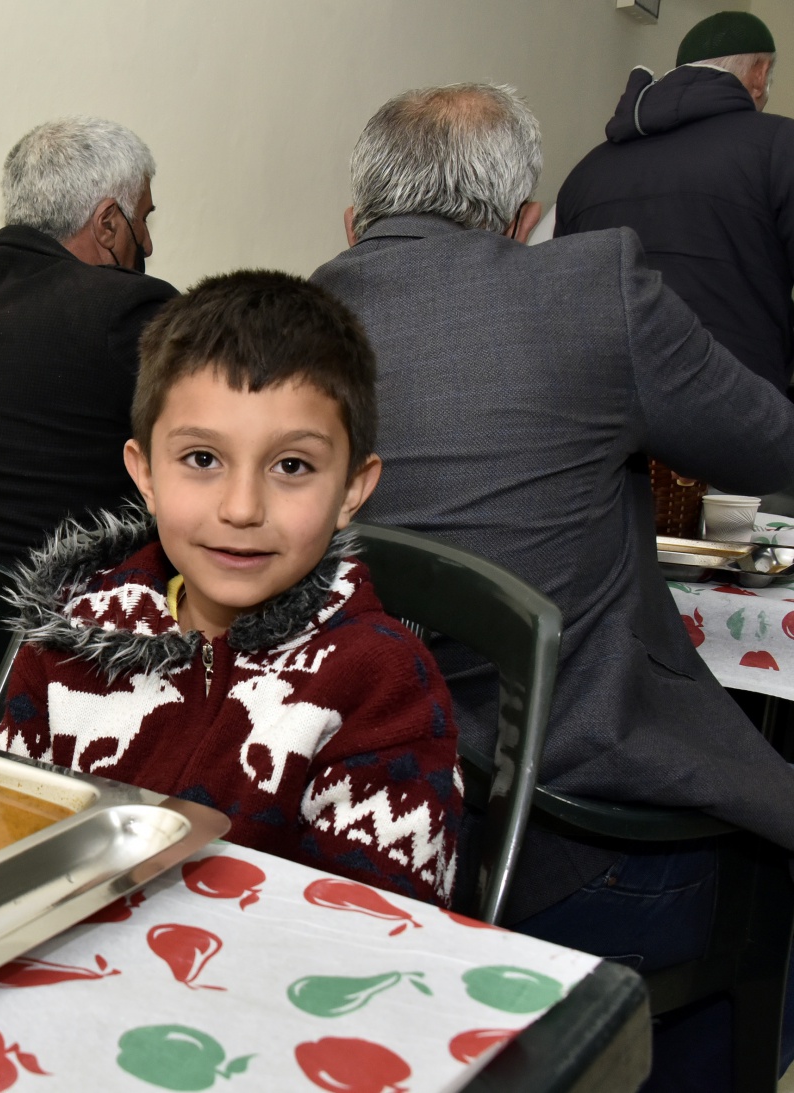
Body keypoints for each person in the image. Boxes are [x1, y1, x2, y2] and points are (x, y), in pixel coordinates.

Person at [310, 82, 794, 1088]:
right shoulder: (591, 286)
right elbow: (765, 444)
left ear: (355, 220)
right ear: (522, 223)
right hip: (580, 825)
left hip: (364, 803)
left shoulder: (299, 315)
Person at [0, 270, 462, 906]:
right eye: (203, 459)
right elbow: (0, 842)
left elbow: (365, 947)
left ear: (352, 487)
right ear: (146, 473)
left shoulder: (383, 687)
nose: (241, 509)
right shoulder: (75, 630)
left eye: (291, 466)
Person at [0, 116, 180, 569]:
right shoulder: (125, 307)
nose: (147, 244)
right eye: (143, 219)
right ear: (108, 224)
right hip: (64, 625)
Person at [556, 11, 794, 389]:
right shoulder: (781, 145)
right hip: (740, 413)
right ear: (760, 74)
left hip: (605, 414)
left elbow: (560, 304)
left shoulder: (586, 171)